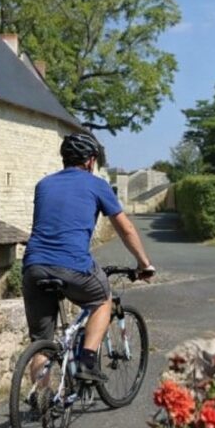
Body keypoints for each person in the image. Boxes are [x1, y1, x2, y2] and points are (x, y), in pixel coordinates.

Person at [22, 132, 155, 383]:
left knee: (42, 342)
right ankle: (87, 362)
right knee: (102, 299)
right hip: (72, 264)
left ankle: (42, 405)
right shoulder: (97, 185)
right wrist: (144, 264)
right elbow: (125, 229)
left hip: (33, 266)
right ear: (91, 161)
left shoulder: (44, 184)